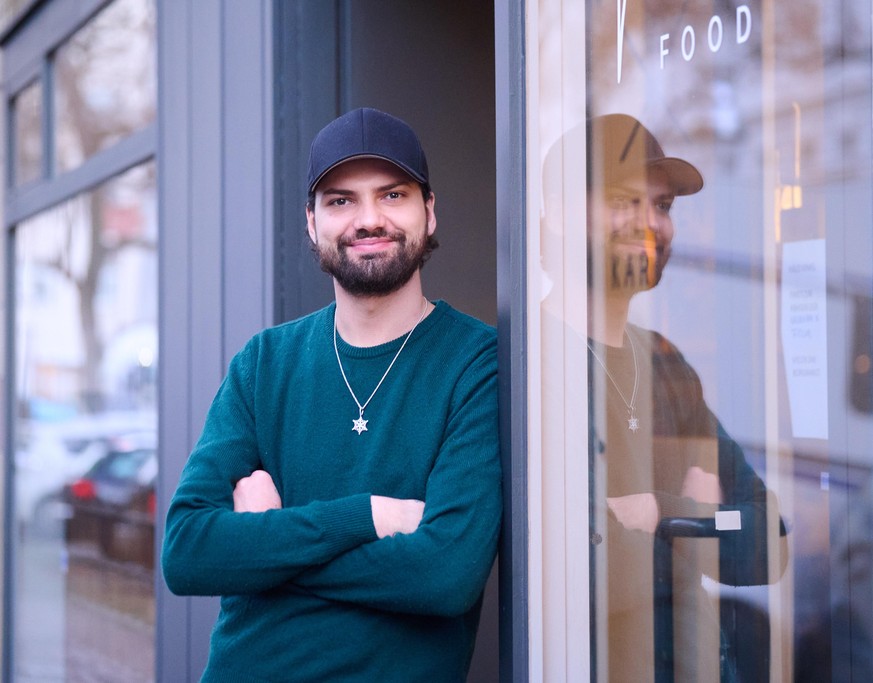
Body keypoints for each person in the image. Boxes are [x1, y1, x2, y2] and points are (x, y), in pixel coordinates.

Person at [162, 107, 502, 682]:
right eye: (341, 200)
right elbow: (189, 552)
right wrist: (365, 516)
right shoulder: (263, 363)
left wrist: (265, 544)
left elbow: (445, 574)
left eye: (392, 195)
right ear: (312, 224)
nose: (369, 219)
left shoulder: (477, 361)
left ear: (430, 211)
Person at [545, 113, 787, 682]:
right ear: (557, 213)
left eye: (663, 206)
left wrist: (661, 512)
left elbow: (771, 540)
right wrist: (704, 525)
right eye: (624, 199)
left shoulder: (666, 365)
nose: (650, 223)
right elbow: (584, 565)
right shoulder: (525, 365)